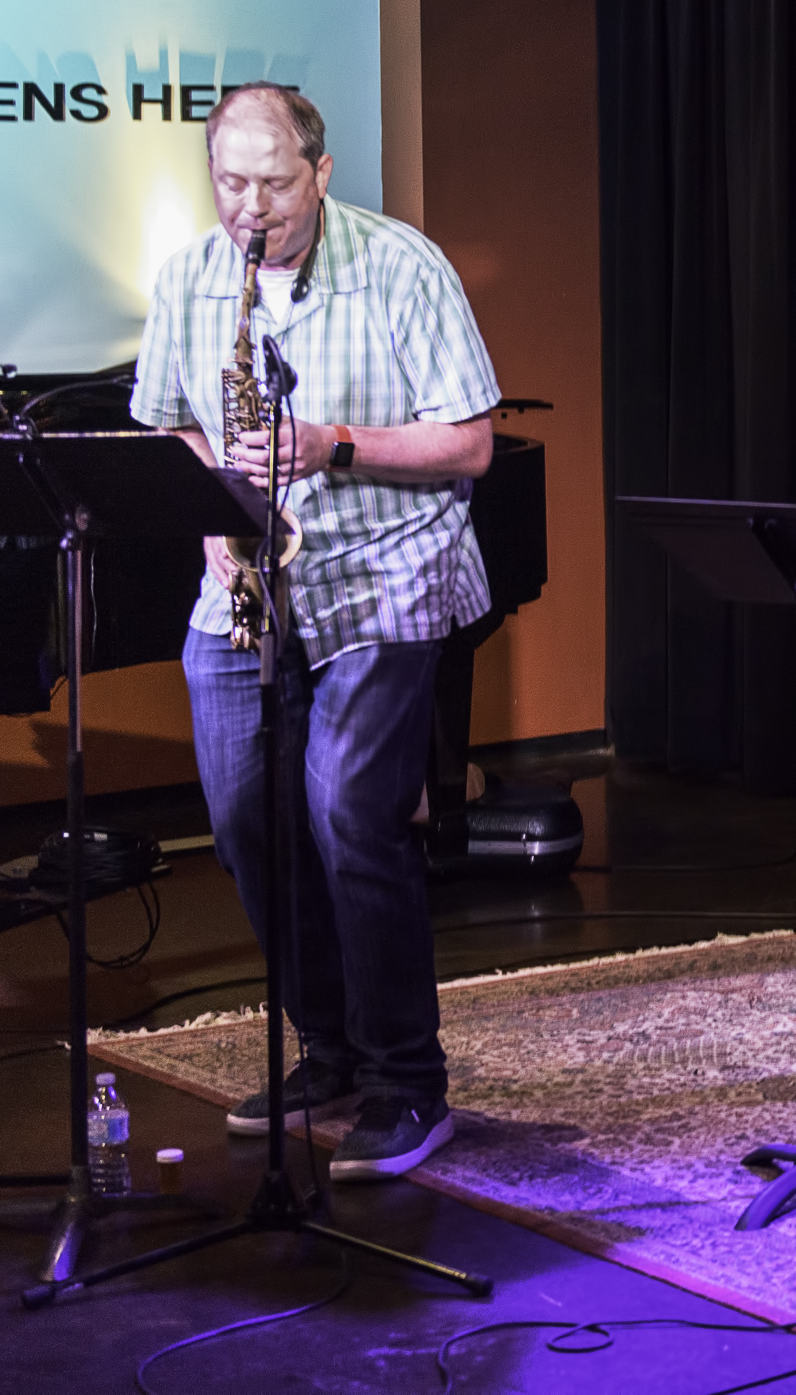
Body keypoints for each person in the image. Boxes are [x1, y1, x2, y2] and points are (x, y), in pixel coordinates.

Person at [131, 83, 500, 1180]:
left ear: (322, 173)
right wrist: (214, 510)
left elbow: (473, 444)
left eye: (275, 184)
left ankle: (406, 1079)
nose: (253, 208)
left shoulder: (401, 266)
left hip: (387, 569)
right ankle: (328, 1045)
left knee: (347, 809)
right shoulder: (196, 276)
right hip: (248, 579)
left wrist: (332, 441)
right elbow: (173, 418)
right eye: (232, 183)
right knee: (246, 819)